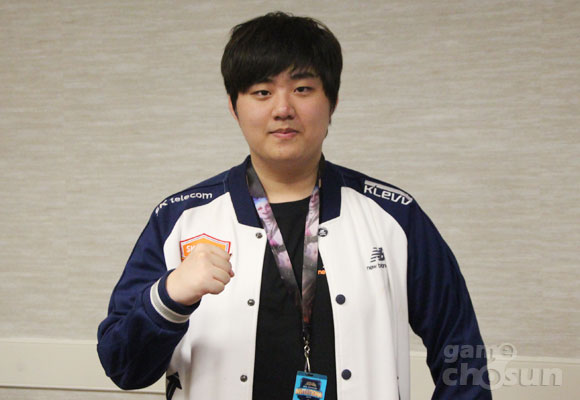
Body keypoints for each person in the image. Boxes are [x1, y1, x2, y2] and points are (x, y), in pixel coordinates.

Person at [97, 12, 491, 400]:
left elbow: (462, 351)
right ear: (234, 106)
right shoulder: (180, 219)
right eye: (262, 92)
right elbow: (123, 367)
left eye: (302, 89)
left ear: (332, 101)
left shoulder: (395, 216)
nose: (283, 109)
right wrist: (169, 297)